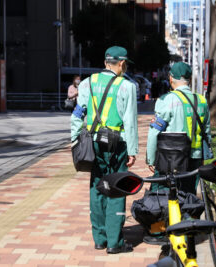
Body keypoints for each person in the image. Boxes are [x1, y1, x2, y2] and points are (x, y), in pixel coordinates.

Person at [70, 46, 138, 254]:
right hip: (117, 144)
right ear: (120, 63)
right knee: (116, 189)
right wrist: (133, 150)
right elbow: (130, 121)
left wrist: (75, 141)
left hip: (93, 142)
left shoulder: (87, 83)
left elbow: (77, 114)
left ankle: (99, 238)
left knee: (97, 186)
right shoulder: (127, 86)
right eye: (124, 64)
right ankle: (114, 242)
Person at [146, 62, 212, 195]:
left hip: (170, 160)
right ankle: (187, 216)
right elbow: (207, 132)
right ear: (189, 79)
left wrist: (151, 158)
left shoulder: (166, 100)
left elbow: (154, 132)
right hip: (195, 158)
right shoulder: (202, 101)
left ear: (170, 78)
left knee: (165, 197)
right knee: (189, 196)